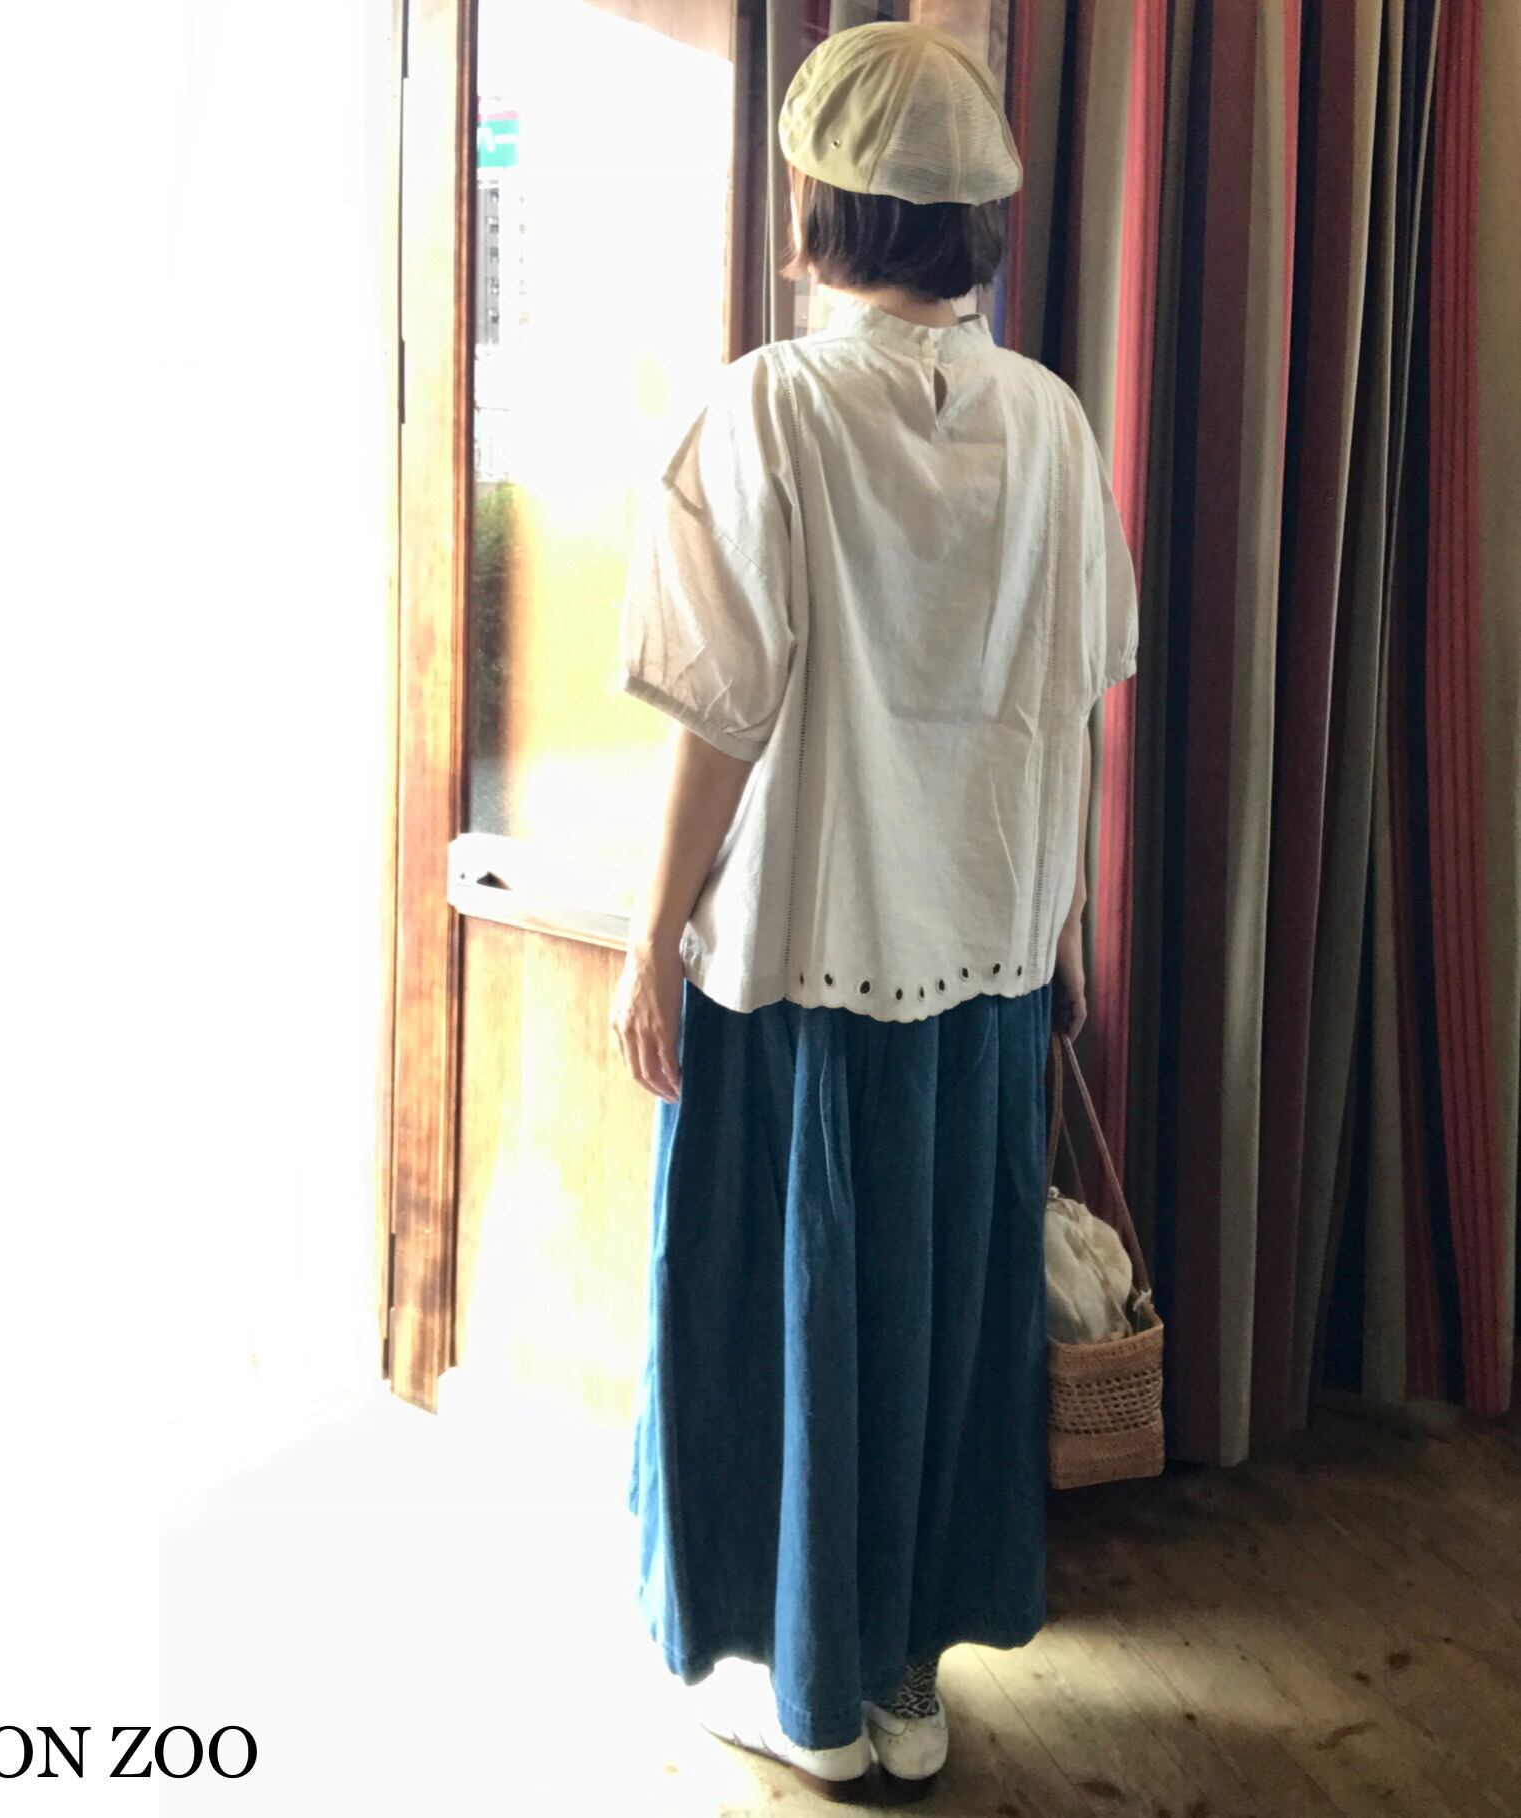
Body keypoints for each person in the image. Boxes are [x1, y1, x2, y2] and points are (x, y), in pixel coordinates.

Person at [608, 19, 1139, 1804]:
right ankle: (901, 1678)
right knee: (927, 1319)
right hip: (983, 964)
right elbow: (1070, 705)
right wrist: (1060, 930)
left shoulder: (764, 408)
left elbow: (714, 718)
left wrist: (645, 941)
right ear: (977, 217)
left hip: (798, 960)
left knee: (789, 1312)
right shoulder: (1049, 421)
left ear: (818, 206)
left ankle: (809, 1693)